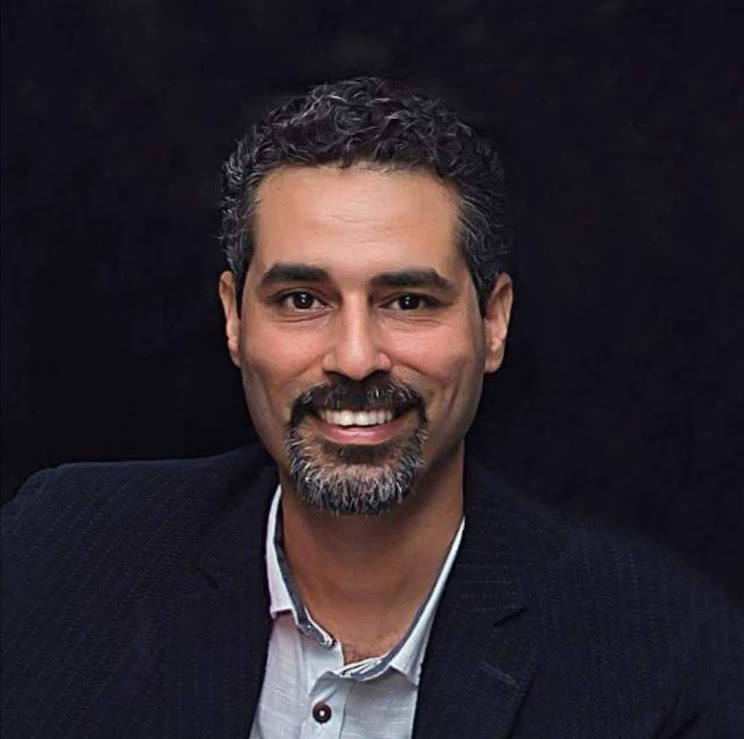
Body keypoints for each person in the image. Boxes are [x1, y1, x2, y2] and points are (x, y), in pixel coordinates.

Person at [1, 77, 741, 739]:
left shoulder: (659, 659)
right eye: (302, 299)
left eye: (408, 301)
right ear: (233, 318)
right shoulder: (59, 554)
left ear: (493, 323)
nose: (355, 358)